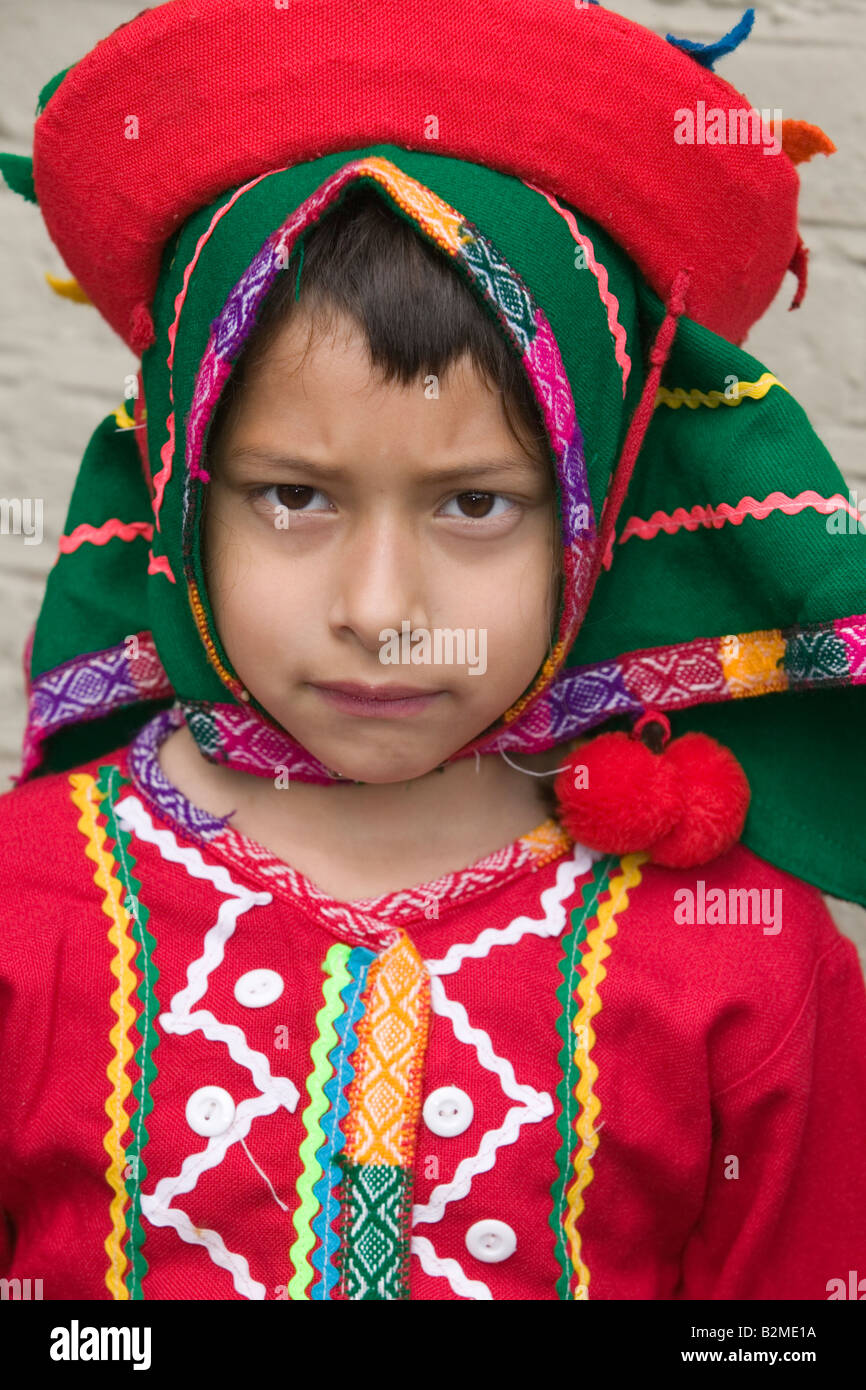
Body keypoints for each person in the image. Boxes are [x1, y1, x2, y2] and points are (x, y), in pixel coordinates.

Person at [0, 0, 864, 1301]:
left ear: (594, 526)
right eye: (293, 495)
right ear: (182, 497)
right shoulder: (27, 912)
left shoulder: (742, 955)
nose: (380, 603)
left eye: (474, 503)